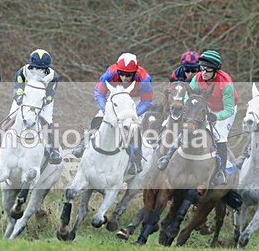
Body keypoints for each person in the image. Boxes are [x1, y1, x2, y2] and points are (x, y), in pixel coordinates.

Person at [157, 49, 238, 187]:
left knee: (219, 136)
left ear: (215, 71)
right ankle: (167, 157)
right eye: (202, 68)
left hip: (225, 110)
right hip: (204, 106)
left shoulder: (226, 84)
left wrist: (216, 116)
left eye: (208, 70)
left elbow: (229, 109)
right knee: (187, 128)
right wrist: (189, 112)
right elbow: (189, 96)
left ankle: (221, 172)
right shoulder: (197, 78)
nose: (204, 72)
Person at [71, 53, 154, 175]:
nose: (125, 77)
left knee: (132, 127)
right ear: (118, 70)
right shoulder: (110, 73)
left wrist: (130, 114)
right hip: (116, 96)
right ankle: (84, 143)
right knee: (98, 119)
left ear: (135, 72)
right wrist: (106, 111)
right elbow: (99, 93)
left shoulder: (144, 78)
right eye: (122, 74)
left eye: (129, 75)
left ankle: (135, 159)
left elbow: (147, 101)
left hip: (134, 101)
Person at [11, 48, 62, 164]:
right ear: (31, 65)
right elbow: (18, 88)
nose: (38, 71)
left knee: (48, 121)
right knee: (11, 117)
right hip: (25, 98)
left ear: (47, 68)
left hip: (43, 101)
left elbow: (50, 94)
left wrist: (40, 104)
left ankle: (55, 150)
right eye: (35, 68)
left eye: (42, 69)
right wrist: (21, 100)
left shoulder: (53, 76)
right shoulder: (22, 72)